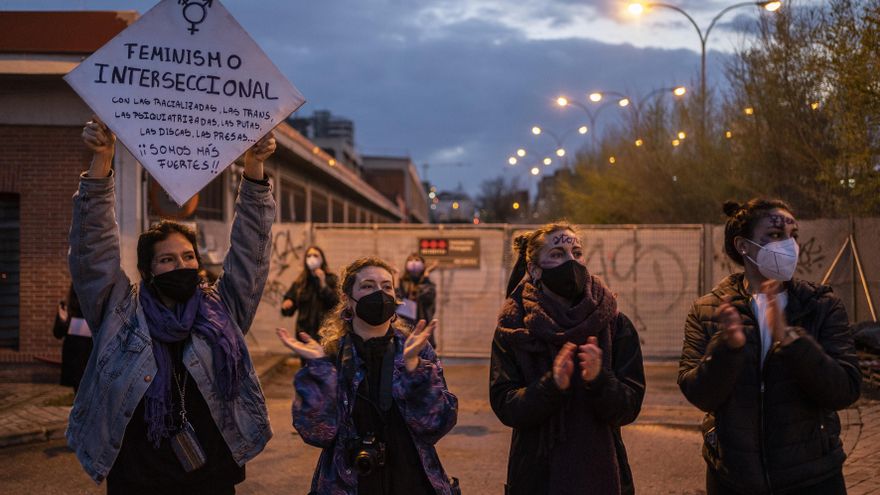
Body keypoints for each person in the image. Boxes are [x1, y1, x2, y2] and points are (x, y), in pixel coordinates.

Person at [67, 117, 277, 494]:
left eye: (187, 257)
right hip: (138, 478)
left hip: (211, 476)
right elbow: (92, 252)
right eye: (167, 260)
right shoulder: (120, 314)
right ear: (147, 271)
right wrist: (101, 163)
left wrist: (254, 171)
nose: (181, 266)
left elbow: (251, 251)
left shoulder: (222, 311)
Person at [679, 199, 861, 495]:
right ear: (744, 246)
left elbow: (845, 389)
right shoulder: (709, 310)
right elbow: (700, 394)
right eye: (776, 235)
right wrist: (728, 347)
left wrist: (790, 338)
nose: (789, 245)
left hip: (813, 476)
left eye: (793, 235)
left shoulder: (821, 305)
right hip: (733, 478)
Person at [276, 256, 458, 495]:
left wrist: (415, 369)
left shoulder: (416, 350)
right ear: (346, 300)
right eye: (367, 286)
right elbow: (316, 432)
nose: (379, 294)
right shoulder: (332, 354)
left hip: (410, 479)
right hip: (348, 483)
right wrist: (320, 371)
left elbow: (437, 425)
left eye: (386, 286)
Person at [490, 222, 645, 495]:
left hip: (603, 477)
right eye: (557, 254)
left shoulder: (615, 324)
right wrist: (551, 385)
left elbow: (629, 407)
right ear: (534, 269)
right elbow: (505, 405)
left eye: (576, 252)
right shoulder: (514, 328)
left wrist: (599, 380)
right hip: (537, 479)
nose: (570, 261)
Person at [280, 246, 339, 348]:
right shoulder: (300, 282)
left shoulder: (332, 279)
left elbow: (336, 303)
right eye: (309, 256)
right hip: (304, 335)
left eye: (315, 255)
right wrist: (287, 305)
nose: (312, 258)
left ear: (322, 259)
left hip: (326, 335)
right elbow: (289, 308)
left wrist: (323, 284)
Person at [52, 284, 93, 394]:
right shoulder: (66, 306)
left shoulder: (94, 307)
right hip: (74, 358)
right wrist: (62, 320)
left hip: (90, 357)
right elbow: (57, 334)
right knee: (78, 393)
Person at [396, 253, 437, 347]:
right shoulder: (402, 281)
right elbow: (398, 300)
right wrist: (396, 278)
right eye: (411, 260)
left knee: (424, 350)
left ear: (423, 264)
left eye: (417, 260)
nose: (414, 263)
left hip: (422, 321)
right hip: (405, 323)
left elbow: (427, 297)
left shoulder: (428, 283)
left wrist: (426, 275)